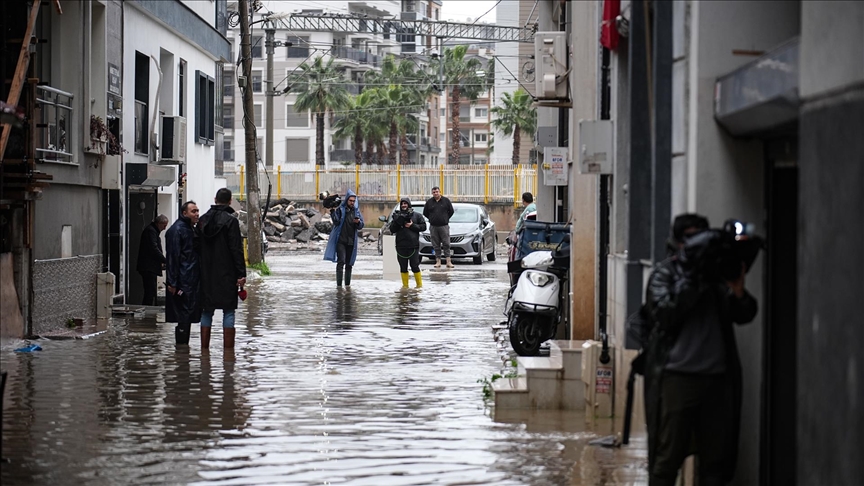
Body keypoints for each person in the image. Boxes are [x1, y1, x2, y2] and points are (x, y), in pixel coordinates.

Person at [643, 213, 758, 486]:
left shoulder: (717, 275)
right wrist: (692, 279)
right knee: (666, 460)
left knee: (716, 464)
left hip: (717, 380)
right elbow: (663, 314)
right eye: (691, 239)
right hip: (676, 379)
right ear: (679, 242)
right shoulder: (666, 273)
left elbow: (745, 313)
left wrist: (737, 290)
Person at [198, 188, 246, 350]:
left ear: (215, 199)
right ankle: (228, 354)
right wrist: (241, 274)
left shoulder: (202, 220)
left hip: (205, 273)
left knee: (206, 311)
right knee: (229, 311)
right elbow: (236, 249)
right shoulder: (231, 221)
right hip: (227, 273)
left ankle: (204, 350)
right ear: (230, 201)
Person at [165, 201, 201, 346]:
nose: (197, 214)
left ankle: (183, 352)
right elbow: (173, 257)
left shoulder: (189, 229)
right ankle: (181, 349)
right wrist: (172, 282)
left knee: (187, 314)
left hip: (190, 279)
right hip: (183, 280)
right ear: (184, 213)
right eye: (193, 211)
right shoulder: (178, 230)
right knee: (183, 315)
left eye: (197, 211)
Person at [324, 190, 364, 287]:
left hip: (351, 242)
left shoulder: (356, 211)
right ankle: (339, 286)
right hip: (341, 241)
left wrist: (358, 222)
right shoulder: (340, 210)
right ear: (346, 200)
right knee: (341, 262)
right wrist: (333, 211)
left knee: (349, 264)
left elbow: (361, 225)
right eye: (350, 200)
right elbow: (336, 222)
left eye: (354, 201)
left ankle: (347, 286)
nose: (352, 203)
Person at [389, 197, 427, 288]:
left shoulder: (417, 216)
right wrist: (398, 222)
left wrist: (412, 225)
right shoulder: (397, 216)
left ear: (409, 204)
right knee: (403, 267)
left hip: (413, 246)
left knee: (415, 266)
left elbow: (423, 227)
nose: (403, 205)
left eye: (405, 203)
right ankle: (405, 287)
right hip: (400, 246)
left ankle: (419, 286)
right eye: (402, 204)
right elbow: (392, 230)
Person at [136, 214, 168, 305]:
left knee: (151, 291)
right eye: (164, 225)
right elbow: (154, 248)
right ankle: (147, 309)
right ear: (159, 223)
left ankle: (148, 308)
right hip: (148, 267)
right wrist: (164, 260)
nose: (165, 228)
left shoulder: (152, 231)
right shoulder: (151, 231)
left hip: (149, 267)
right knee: (150, 291)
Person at [422, 186, 454, 268]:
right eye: (434, 192)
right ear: (432, 193)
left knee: (446, 243)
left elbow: (451, 211)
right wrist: (432, 218)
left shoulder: (446, 201)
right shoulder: (429, 202)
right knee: (436, 244)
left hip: (444, 226)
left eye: (437, 192)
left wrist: (445, 218)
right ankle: (438, 261)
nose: (436, 193)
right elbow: (425, 213)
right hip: (433, 226)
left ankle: (448, 261)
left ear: (440, 192)